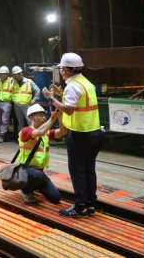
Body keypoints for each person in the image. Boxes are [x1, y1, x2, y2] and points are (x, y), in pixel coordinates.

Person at [43, 52, 105, 218]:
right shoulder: (86, 83)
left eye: (62, 68)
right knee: (89, 170)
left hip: (80, 135)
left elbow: (69, 109)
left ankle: (80, 207)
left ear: (68, 70)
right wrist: (61, 94)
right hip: (95, 133)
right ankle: (90, 204)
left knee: (78, 171)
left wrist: (51, 99)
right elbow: (77, 102)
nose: (61, 71)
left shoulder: (72, 86)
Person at [17, 104, 66, 204]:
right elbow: (40, 131)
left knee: (55, 198)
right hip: (25, 171)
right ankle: (24, 190)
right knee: (38, 176)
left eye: (44, 115)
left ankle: (33, 186)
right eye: (39, 115)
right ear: (31, 117)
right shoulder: (25, 131)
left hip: (39, 173)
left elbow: (63, 131)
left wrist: (60, 116)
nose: (43, 117)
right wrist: (53, 117)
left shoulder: (46, 133)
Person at [11, 66, 40, 132]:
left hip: (26, 105)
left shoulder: (28, 81)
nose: (19, 75)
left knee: (30, 122)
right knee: (20, 122)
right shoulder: (13, 83)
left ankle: (33, 137)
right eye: (17, 74)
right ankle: (22, 138)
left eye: (20, 73)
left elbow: (37, 90)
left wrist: (34, 99)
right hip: (17, 105)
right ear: (15, 75)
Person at [0, 66, 13, 143]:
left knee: (5, 120)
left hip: (7, 102)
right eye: (0, 73)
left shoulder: (11, 81)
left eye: (2, 74)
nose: (0, 75)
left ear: (6, 74)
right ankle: (3, 134)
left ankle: (2, 135)